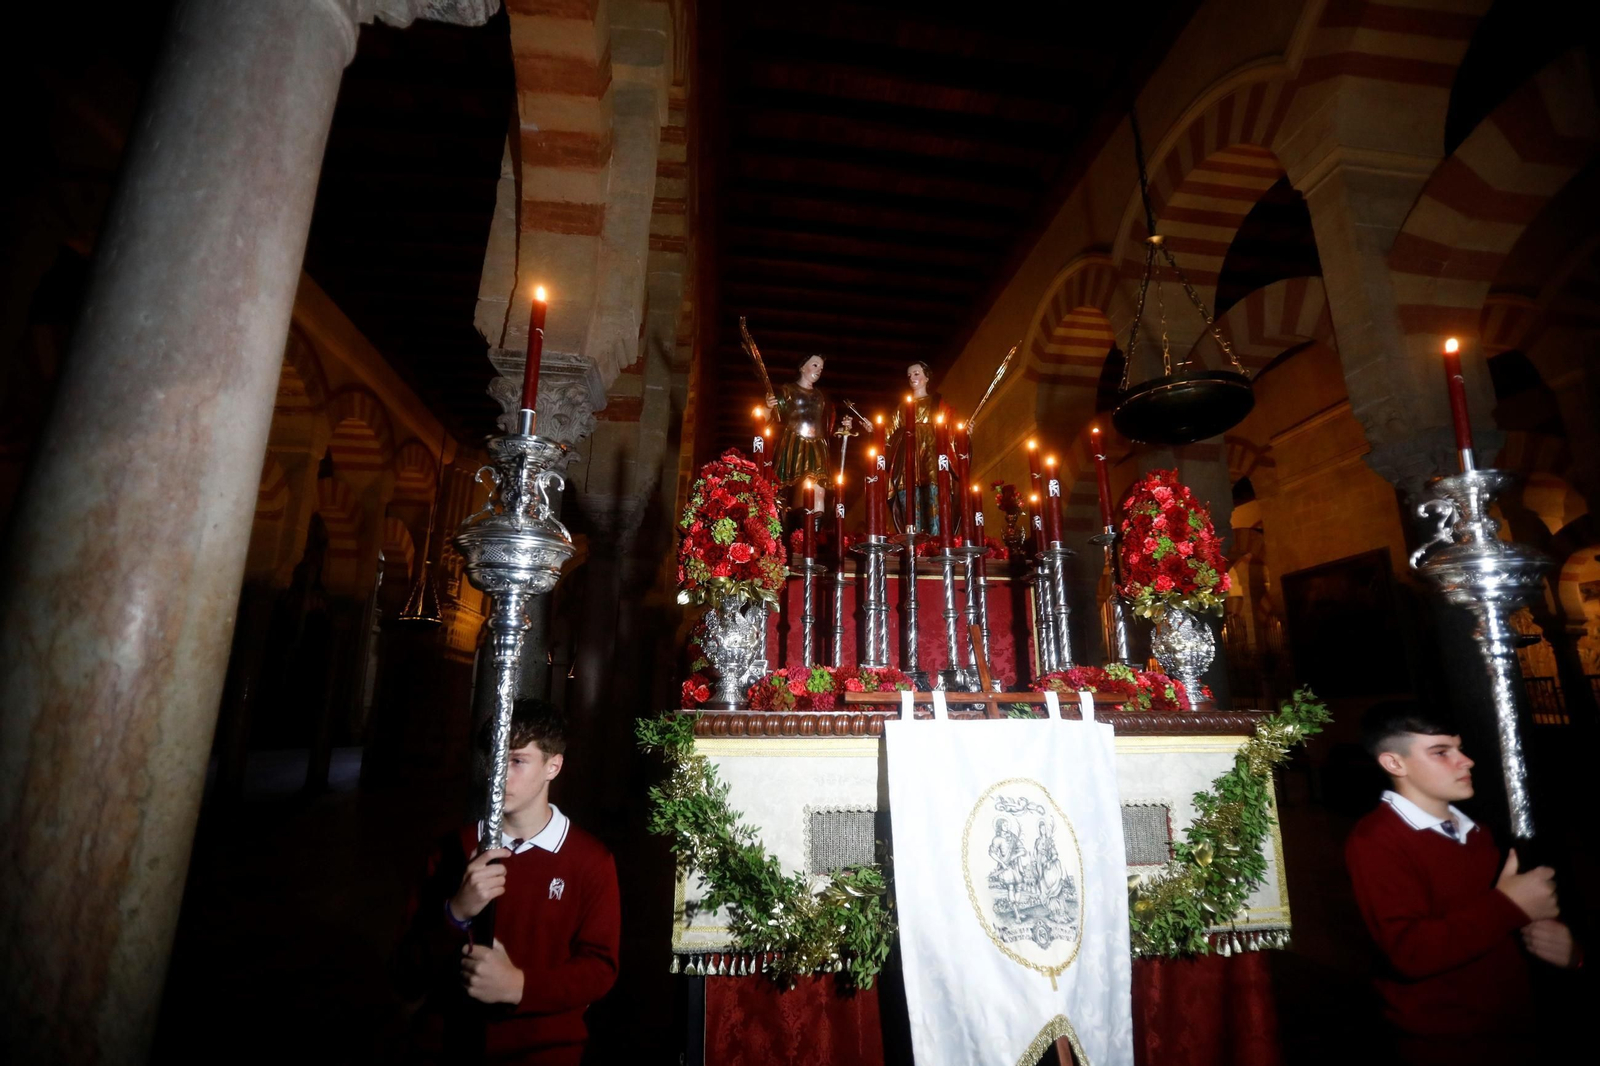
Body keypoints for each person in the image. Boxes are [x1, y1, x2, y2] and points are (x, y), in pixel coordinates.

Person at [1344, 701, 1581, 1065]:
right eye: (1441, 752)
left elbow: (1507, 922)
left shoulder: (1479, 832)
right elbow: (1410, 953)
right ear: (1395, 763)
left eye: (1460, 748)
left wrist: (1563, 947)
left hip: (1515, 1025)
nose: (1466, 761)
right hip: (1443, 1040)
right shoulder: (1376, 840)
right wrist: (1509, 905)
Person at [397, 699, 620, 1065]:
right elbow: (408, 968)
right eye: (494, 759)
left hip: (543, 1049)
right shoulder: (453, 849)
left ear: (553, 766)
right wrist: (456, 912)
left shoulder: (590, 861)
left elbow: (600, 969)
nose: (499, 775)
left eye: (517, 760)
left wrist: (520, 986)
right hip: (449, 1043)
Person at [764, 352, 849, 511]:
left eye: (821, 368)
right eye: (815, 365)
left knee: (819, 491)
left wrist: (843, 428)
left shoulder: (821, 397)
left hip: (817, 447)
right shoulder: (788, 391)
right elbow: (765, 418)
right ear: (802, 367)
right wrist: (768, 407)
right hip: (795, 444)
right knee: (801, 491)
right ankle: (799, 524)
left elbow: (827, 425)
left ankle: (815, 526)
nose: (818, 370)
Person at [887, 360, 949, 533]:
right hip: (908, 457)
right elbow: (888, 432)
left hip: (930, 453)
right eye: (909, 375)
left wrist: (964, 432)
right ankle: (913, 541)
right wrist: (873, 430)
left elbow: (950, 428)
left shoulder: (936, 403)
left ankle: (936, 540)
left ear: (926, 377)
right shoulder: (902, 408)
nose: (912, 378)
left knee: (932, 497)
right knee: (910, 500)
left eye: (916, 374)